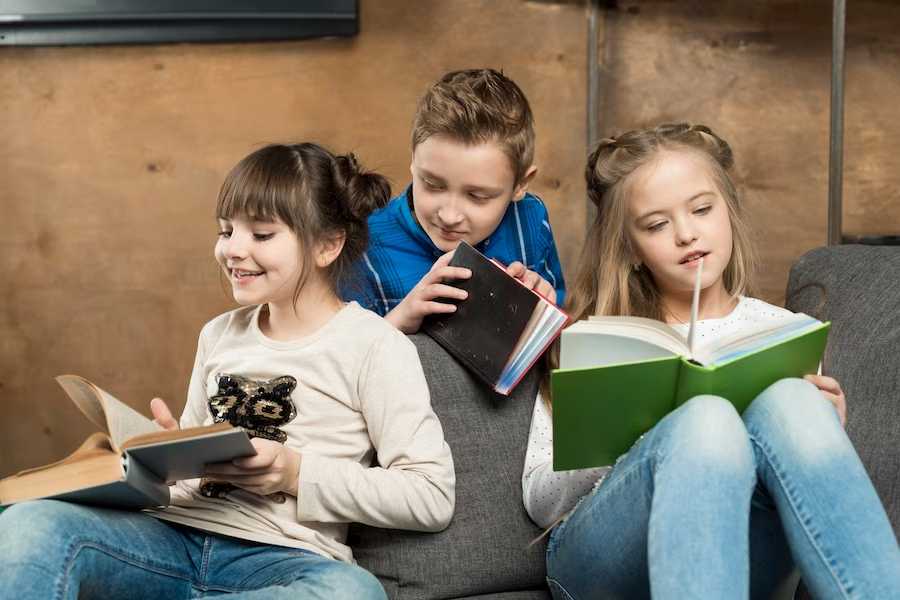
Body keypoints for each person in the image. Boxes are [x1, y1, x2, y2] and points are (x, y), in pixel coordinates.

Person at [0, 143, 455, 599]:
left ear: (327, 244)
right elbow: (188, 484)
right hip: (172, 541)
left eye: (261, 235)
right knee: (30, 521)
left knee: (351, 593)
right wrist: (161, 458)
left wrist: (296, 473)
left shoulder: (375, 345)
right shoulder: (218, 334)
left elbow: (430, 495)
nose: (232, 250)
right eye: (226, 231)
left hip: (281, 560)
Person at [522, 122, 900, 599]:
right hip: (602, 560)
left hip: (748, 549)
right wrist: (626, 436)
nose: (686, 234)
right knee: (704, 419)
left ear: (728, 211)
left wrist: (827, 427)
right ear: (632, 250)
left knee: (795, 405)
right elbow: (538, 498)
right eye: (656, 225)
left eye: (702, 209)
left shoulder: (781, 329)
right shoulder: (601, 337)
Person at [347, 68, 566, 333]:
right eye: (432, 185)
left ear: (521, 184)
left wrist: (546, 307)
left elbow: (561, 314)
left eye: (478, 196)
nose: (450, 216)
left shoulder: (531, 218)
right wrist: (399, 320)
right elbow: (341, 361)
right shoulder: (364, 243)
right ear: (414, 161)